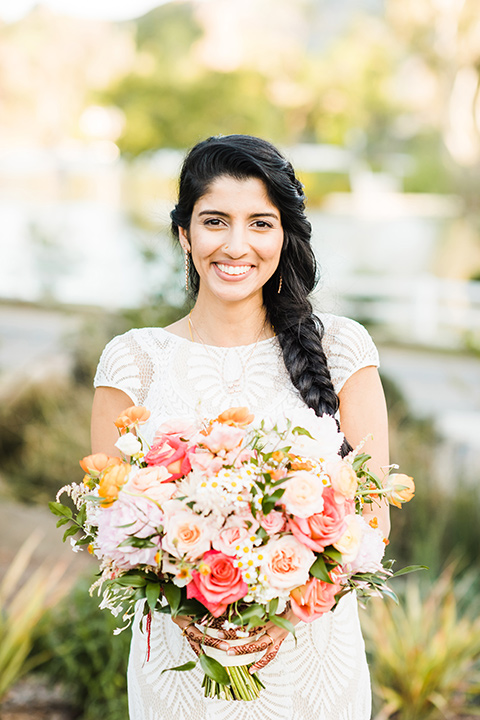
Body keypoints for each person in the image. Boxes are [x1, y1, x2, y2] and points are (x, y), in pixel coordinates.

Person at [91, 134, 390, 720]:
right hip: (180, 665)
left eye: (260, 223)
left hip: (314, 664)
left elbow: (372, 522)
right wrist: (189, 609)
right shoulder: (133, 362)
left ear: (284, 235)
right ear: (184, 232)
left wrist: (287, 611)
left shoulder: (343, 348)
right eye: (214, 221)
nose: (236, 245)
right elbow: (112, 531)